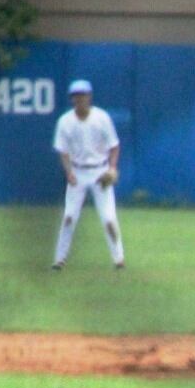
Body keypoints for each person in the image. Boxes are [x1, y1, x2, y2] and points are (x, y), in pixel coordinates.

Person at [51, 79, 124, 271]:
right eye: (76, 96)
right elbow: (63, 151)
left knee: (108, 218)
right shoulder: (65, 121)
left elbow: (114, 146)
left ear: (89, 97)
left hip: (100, 171)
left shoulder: (101, 118)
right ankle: (59, 259)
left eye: (83, 95)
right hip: (78, 171)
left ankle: (119, 259)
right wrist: (69, 172)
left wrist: (112, 168)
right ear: (72, 99)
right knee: (69, 217)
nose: (79, 99)